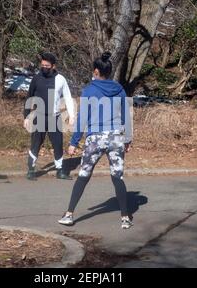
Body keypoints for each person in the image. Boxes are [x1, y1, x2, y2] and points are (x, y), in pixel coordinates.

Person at [58, 52, 133, 229]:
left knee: (84, 175)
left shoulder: (90, 90)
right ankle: (125, 218)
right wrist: (128, 139)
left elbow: (82, 118)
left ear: (97, 71)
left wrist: (73, 142)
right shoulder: (119, 89)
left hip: (95, 138)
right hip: (116, 137)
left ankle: (69, 214)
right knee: (117, 176)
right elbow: (126, 115)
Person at [23, 52, 75, 180]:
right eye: (42, 65)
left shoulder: (60, 79)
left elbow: (68, 97)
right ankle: (31, 170)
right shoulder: (36, 78)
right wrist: (26, 116)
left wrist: (72, 114)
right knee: (36, 143)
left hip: (55, 117)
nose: (44, 67)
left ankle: (60, 170)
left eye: (47, 65)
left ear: (53, 66)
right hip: (39, 116)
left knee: (57, 144)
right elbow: (29, 97)